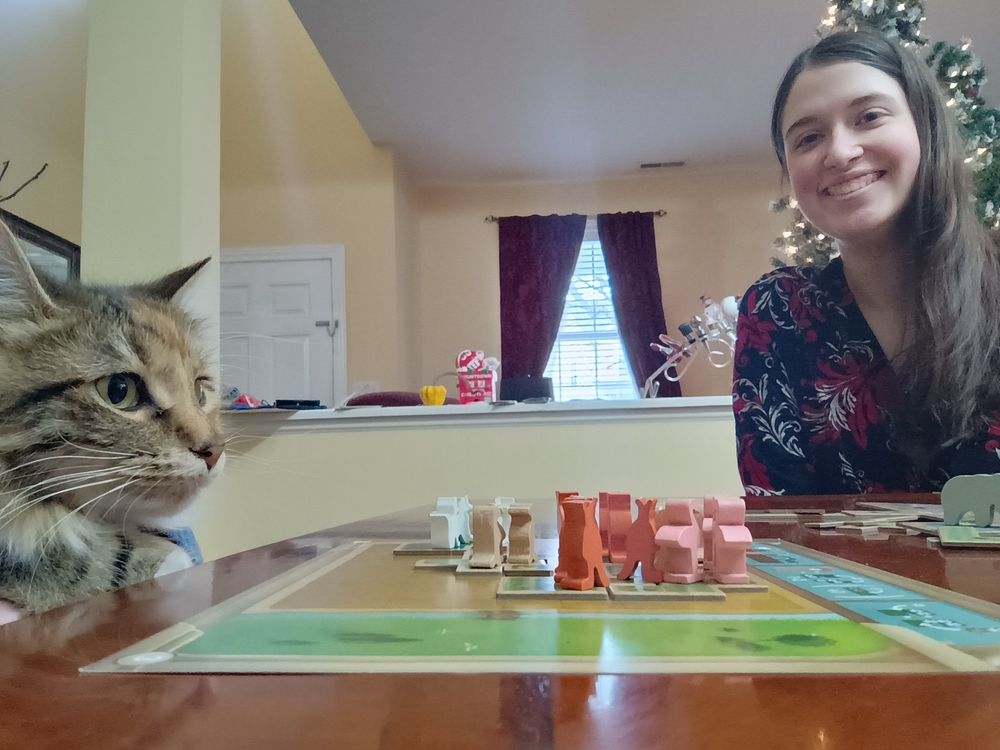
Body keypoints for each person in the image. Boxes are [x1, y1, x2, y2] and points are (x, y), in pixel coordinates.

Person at [733, 29, 1000, 495]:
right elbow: (779, 522)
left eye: (869, 116)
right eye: (808, 138)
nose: (839, 152)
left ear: (926, 128)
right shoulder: (778, 310)